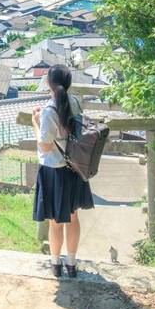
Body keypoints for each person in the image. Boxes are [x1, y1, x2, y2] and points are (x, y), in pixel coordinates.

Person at [31, 64, 94, 278]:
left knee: (56, 221)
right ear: (69, 84)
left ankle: (56, 264)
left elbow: (45, 145)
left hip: (54, 171)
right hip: (74, 167)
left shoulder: (49, 110)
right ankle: (72, 263)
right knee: (73, 217)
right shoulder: (75, 102)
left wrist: (35, 122)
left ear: (48, 83)